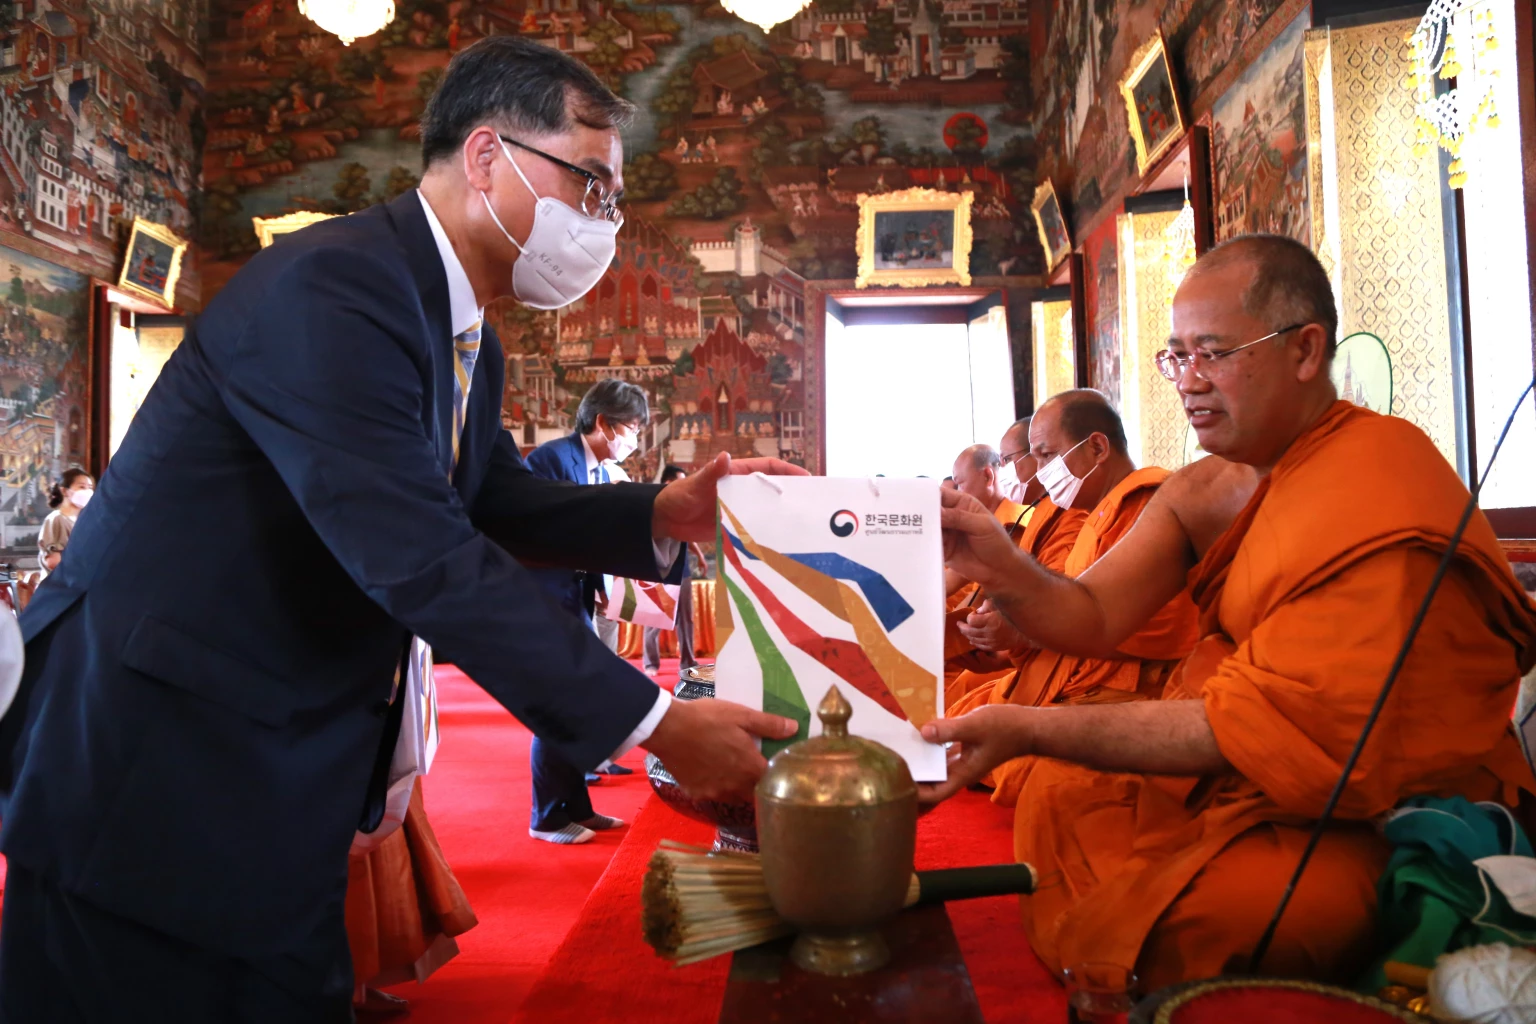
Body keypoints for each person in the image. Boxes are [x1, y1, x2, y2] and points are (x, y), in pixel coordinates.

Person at [0, 37, 802, 1022]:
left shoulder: (465, 333)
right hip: (151, 756)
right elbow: (421, 550)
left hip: (264, 754)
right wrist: (655, 722)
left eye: (614, 201)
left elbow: (490, 499)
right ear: (487, 157)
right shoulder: (333, 287)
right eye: (591, 185)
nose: (604, 222)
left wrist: (661, 512)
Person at [926, 235, 1536, 990]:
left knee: (1242, 917)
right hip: (1246, 771)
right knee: (1056, 793)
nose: (1189, 382)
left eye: (1212, 354)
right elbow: (1090, 613)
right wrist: (1000, 563)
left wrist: (1027, 727)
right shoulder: (1201, 491)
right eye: (1176, 356)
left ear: (1305, 350)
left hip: (1381, 802)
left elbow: (1294, 725)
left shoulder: (1379, 474)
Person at [947, 391, 1200, 805]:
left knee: (1039, 781)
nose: (1039, 471)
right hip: (1068, 667)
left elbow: (1158, 623)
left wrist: (1024, 630)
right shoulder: (1095, 510)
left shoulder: (1148, 503)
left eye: (1047, 456)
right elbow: (1073, 601)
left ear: (1097, 447)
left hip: (1124, 684)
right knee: (965, 720)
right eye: (1033, 458)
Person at [524, 379, 654, 844]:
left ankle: (577, 806)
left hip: (574, 596)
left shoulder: (600, 470)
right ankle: (547, 817)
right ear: (603, 423)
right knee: (555, 708)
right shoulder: (553, 460)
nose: (634, 439)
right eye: (632, 428)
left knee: (576, 705)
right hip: (546, 598)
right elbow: (539, 532)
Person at [642, 464, 702, 678]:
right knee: (653, 618)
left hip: (682, 569)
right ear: (668, 482)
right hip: (658, 569)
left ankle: (688, 662)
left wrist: (700, 556)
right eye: (680, 480)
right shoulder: (653, 503)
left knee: (686, 619)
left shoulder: (684, 507)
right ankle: (650, 663)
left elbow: (687, 535)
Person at [37, 469, 92, 576]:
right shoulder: (57, 519)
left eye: (90, 487)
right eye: (82, 487)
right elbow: (53, 561)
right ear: (64, 491)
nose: (88, 492)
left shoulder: (84, 520)